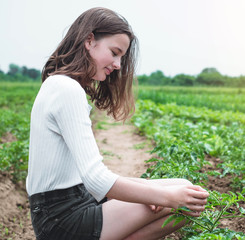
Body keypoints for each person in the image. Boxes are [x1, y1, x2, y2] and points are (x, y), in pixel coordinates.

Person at [26, 7, 209, 240]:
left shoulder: (60, 85)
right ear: (89, 40)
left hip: (67, 206)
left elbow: (86, 181)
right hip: (62, 220)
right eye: (114, 52)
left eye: (121, 57)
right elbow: (96, 179)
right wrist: (163, 197)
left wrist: (152, 193)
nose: (118, 65)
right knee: (187, 201)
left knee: (185, 188)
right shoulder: (66, 89)